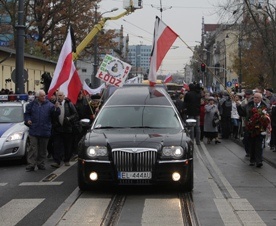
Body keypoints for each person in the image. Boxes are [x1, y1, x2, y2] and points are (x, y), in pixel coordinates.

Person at [24, 90, 60, 171]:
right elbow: (27, 114)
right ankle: (31, 164)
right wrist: (28, 120)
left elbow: (55, 115)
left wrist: (56, 108)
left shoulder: (50, 105)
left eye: (44, 96)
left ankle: (41, 163)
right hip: (34, 129)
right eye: (42, 96)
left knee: (43, 149)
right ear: (37, 97)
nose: (44, 97)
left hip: (45, 130)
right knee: (33, 148)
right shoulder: (32, 104)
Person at [237, 92, 270, 167]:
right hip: (250, 128)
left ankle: (259, 160)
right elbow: (243, 113)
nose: (255, 99)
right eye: (254, 97)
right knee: (251, 144)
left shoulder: (264, 106)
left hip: (260, 129)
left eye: (257, 97)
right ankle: (252, 160)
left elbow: (267, 116)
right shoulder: (249, 105)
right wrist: (239, 106)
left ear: (261, 99)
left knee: (259, 145)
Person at [51, 91, 79, 168]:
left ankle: (67, 160)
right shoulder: (54, 104)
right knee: (57, 145)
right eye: (57, 95)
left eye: (60, 95)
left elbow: (75, 114)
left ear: (63, 96)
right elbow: (52, 116)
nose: (59, 97)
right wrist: (55, 108)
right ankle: (57, 161)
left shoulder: (68, 104)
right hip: (58, 128)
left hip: (67, 128)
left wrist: (69, 118)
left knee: (67, 145)